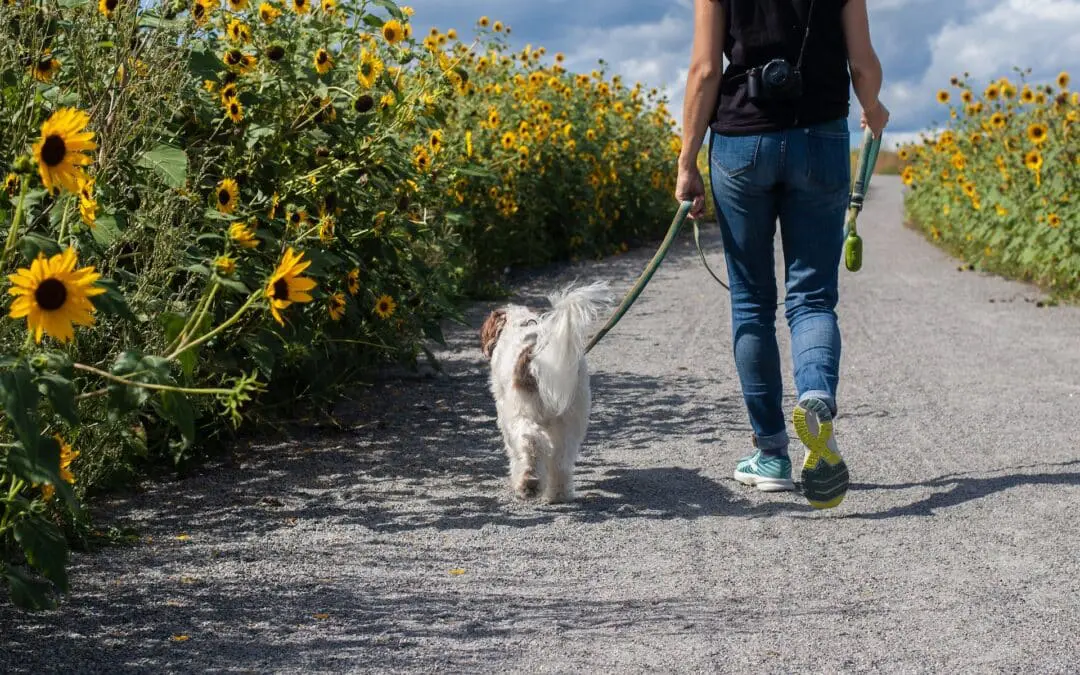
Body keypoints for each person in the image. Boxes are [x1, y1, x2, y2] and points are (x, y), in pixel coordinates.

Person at [675, 0, 889, 509]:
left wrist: (687, 160)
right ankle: (815, 395)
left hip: (740, 140)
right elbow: (862, 62)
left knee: (751, 302)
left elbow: (705, 70)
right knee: (812, 298)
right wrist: (874, 105)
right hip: (821, 136)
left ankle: (771, 454)